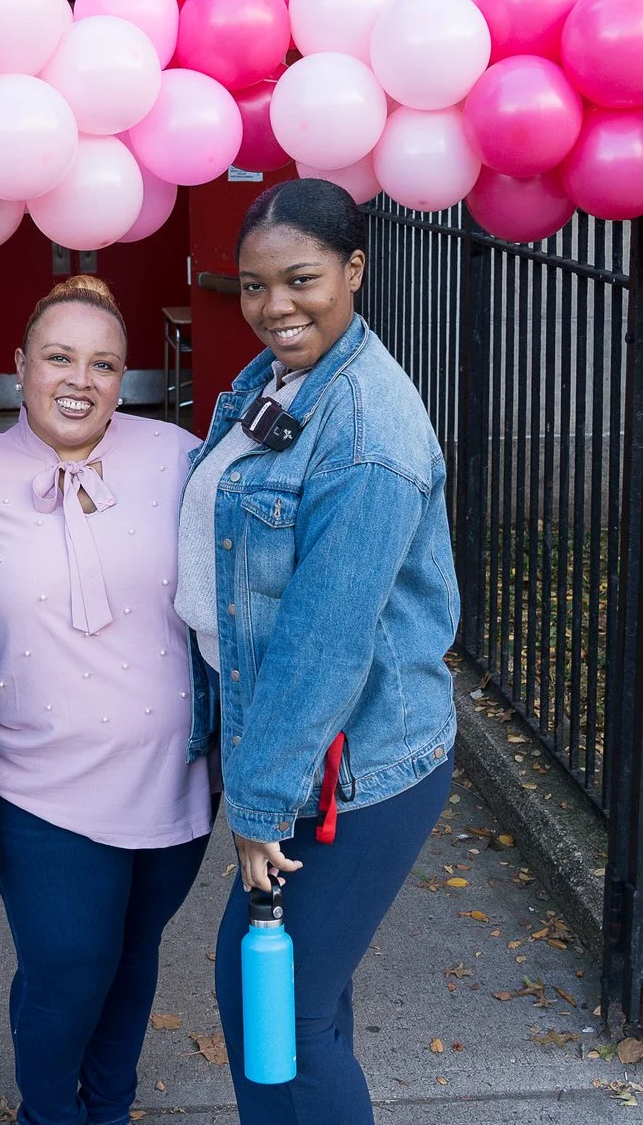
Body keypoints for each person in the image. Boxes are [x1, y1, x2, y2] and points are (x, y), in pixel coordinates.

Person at [180, 178, 460, 1125]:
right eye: (255, 286)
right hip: (307, 755)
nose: (274, 307)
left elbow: (323, 641)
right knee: (303, 1009)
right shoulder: (285, 379)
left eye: (299, 280)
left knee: (276, 1013)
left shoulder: (368, 431)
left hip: (352, 771)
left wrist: (259, 803)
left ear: (354, 270)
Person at [0, 276, 212, 1125]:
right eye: (59, 356)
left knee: (133, 956)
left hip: (169, 772)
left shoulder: (176, 455)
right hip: (36, 780)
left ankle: (109, 1107)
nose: (80, 378)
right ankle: (47, 1116)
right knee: (69, 963)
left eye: (104, 363)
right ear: (21, 365)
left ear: (125, 376)